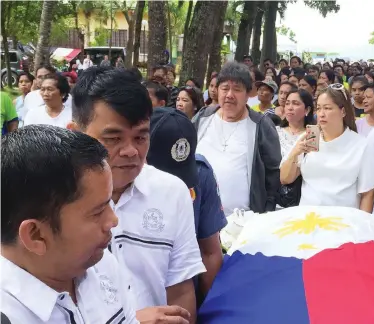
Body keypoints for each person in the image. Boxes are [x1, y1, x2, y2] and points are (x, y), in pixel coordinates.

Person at [68, 66, 204, 322]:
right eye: (114, 138)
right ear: (75, 134)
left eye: (141, 137)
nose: (131, 151)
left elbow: (180, 289)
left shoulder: (172, 193)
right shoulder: (52, 198)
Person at [1, 125, 139, 323]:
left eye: (109, 203)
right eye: (98, 211)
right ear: (35, 235)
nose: (113, 221)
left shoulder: (101, 264)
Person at [147, 107, 226, 304]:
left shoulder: (202, 173)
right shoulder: (119, 184)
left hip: (185, 297)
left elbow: (210, 251)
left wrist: (208, 310)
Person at [193, 62, 281, 215]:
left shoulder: (260, 125)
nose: (229, 95)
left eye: (237, 89)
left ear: (248, 95)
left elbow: (273, 174)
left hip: (243, 221)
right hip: (199, 217)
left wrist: (266, 212)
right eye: (225, 88)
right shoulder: (203, 118)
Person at [280, 84, 374, 212]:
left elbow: (368, 193)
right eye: (319, 108)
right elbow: (285, 178)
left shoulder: (361, 145)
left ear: (342, 111)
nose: (321, 114)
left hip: (344, 220)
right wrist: (295, 152)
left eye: (327, 108)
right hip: (307, 219)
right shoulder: (307, 138)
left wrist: (361, 225)